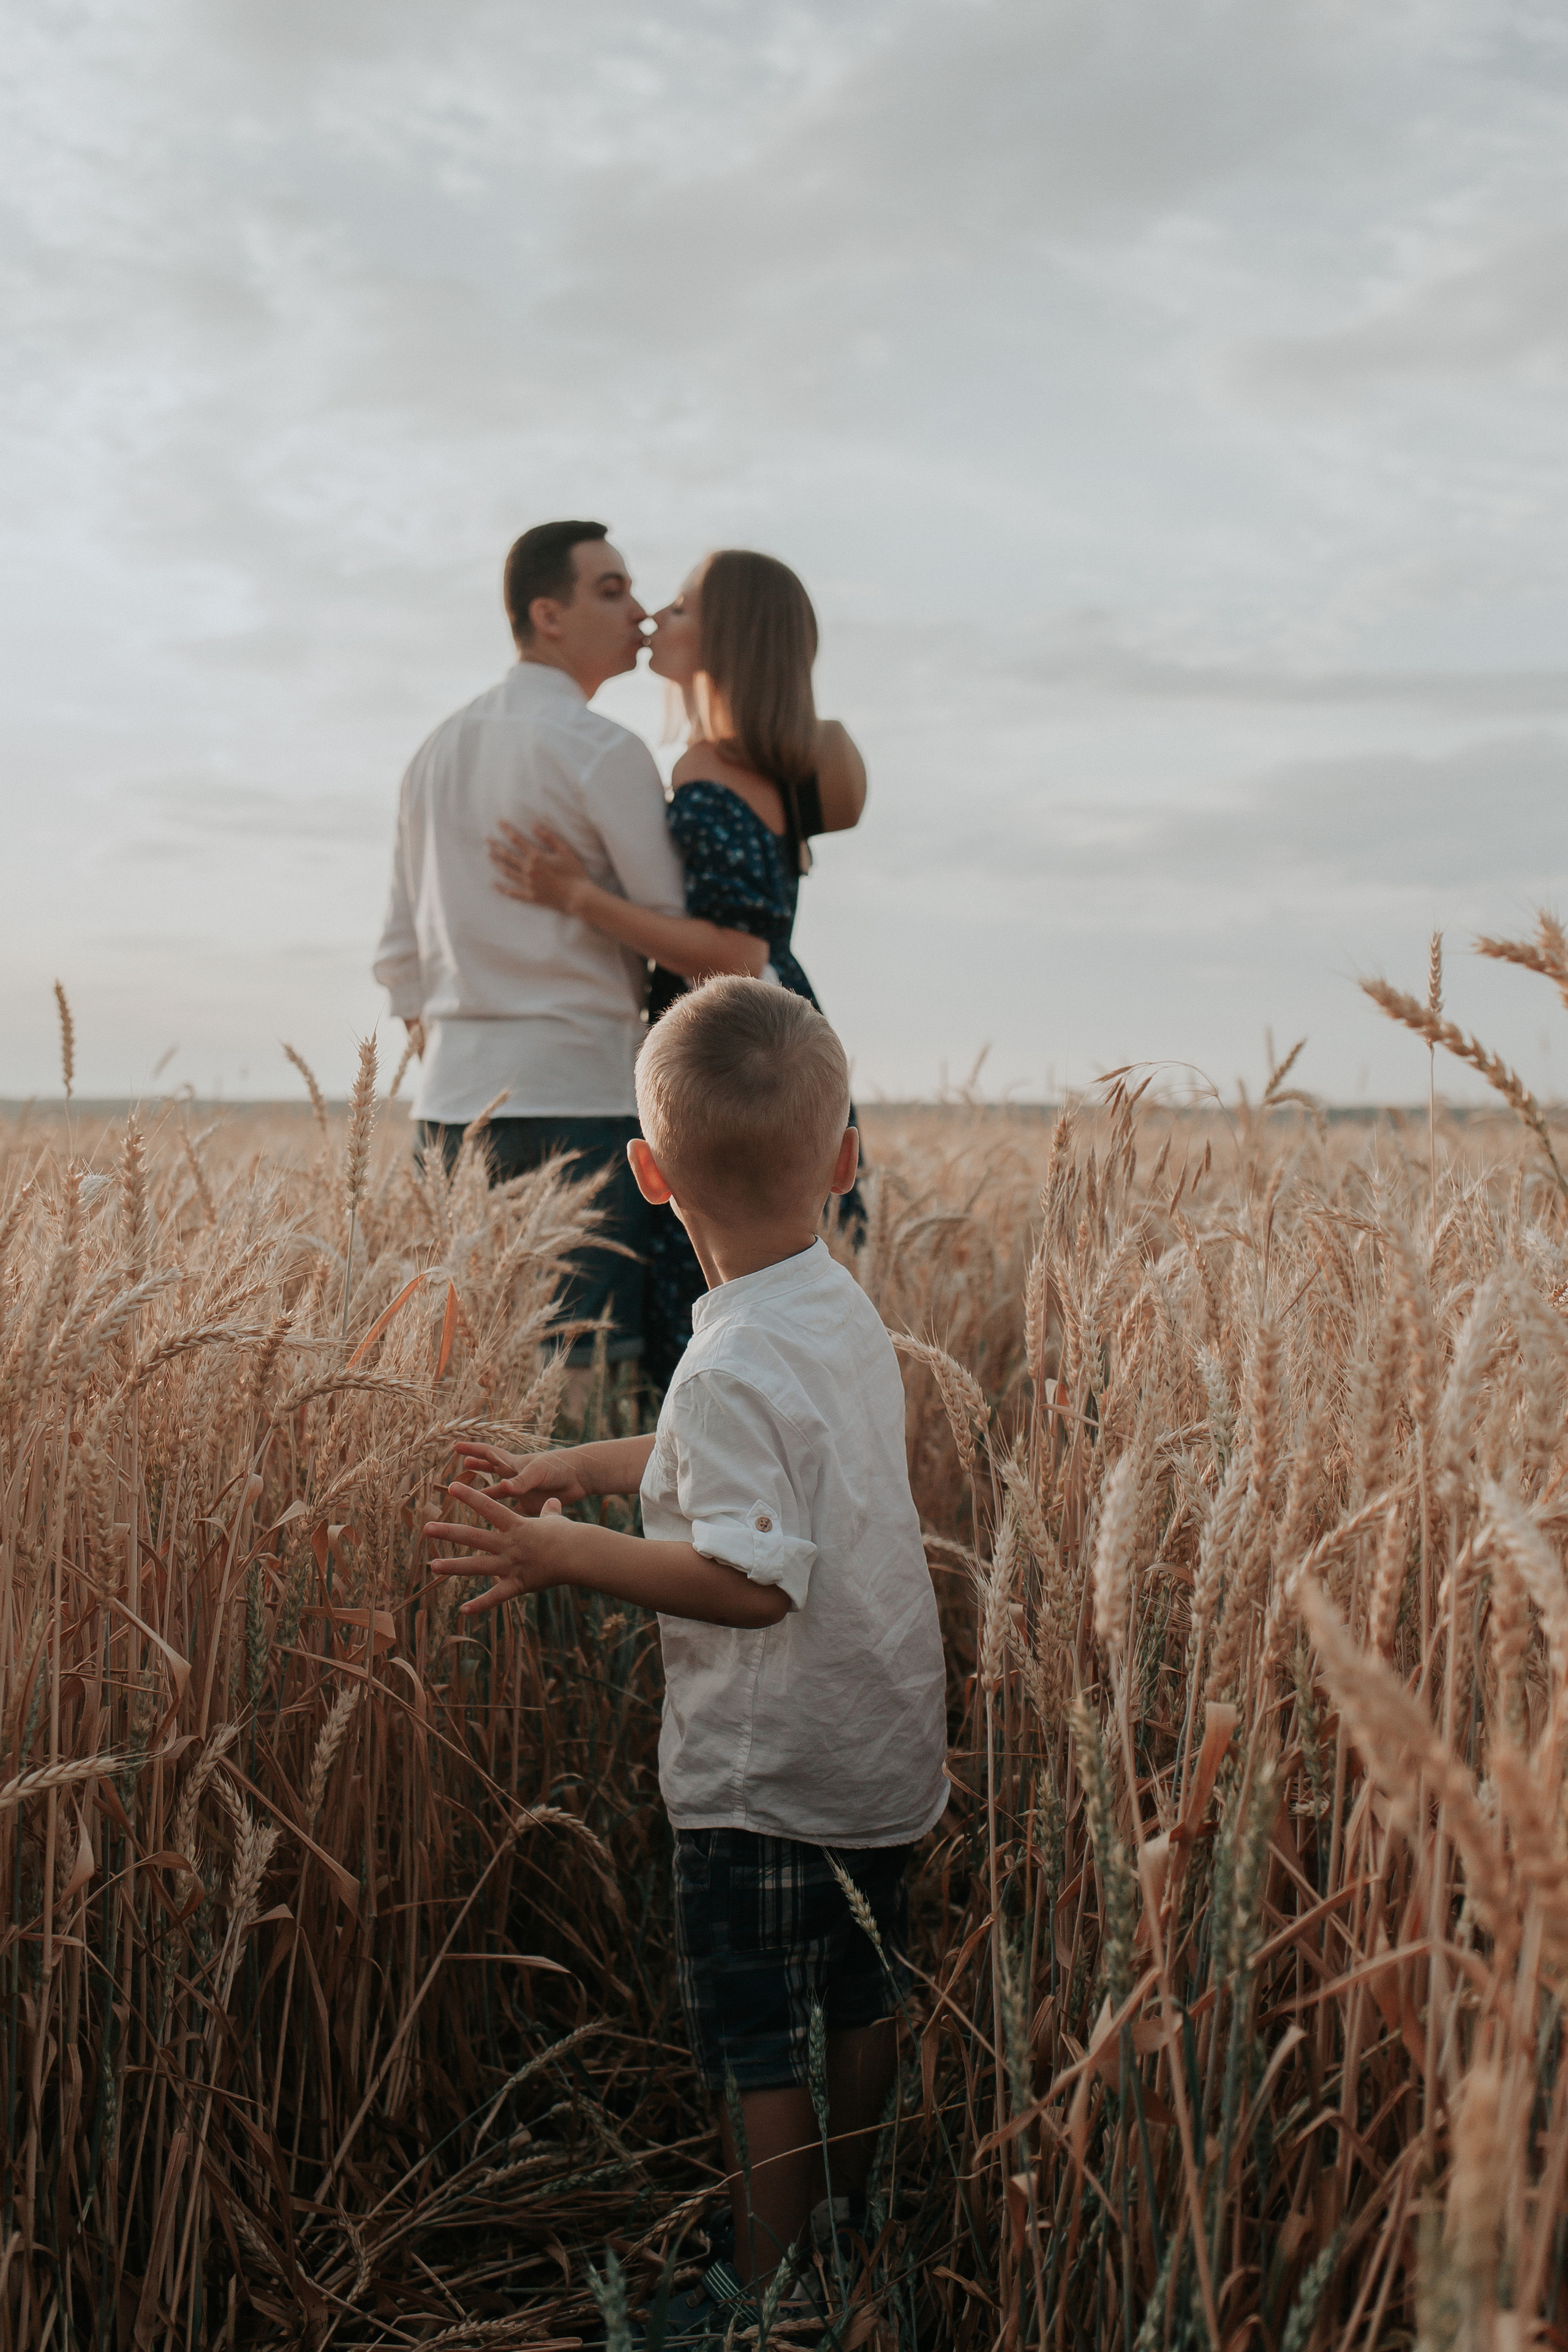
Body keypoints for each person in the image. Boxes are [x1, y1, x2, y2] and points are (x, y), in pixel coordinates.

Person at [426, 979, 948, 2342]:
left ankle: (768, 2288)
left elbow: (745, 1576)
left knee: (758, 2040)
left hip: (764, 1779)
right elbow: (743, 1476)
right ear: (844, 1160)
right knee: (860, 1992)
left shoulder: (723, 1367)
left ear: (647, 1177)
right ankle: (847, 2216)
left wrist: (560, 1554)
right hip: (876, 1747)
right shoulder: (835, 1312)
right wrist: (578, 1473)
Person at [486, 549, 868, 1388]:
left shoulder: (707, 764)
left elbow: (736, 949)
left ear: (731, 637)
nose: (657, 615)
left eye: (684, 607)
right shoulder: (753, 757)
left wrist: (577, 896)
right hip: (774, 1022)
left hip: (731, 1039)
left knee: (723, 1301)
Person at [373, 520, 691, 1370]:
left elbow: (398, 953)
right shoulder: (602, 749)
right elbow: (674, 928)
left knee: (459, 1377)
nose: (641, 612)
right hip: (577, 1100)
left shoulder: (432, 751)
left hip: (446, 1109)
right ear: (547, 614)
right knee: (581, 1383)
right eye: (612, 591)